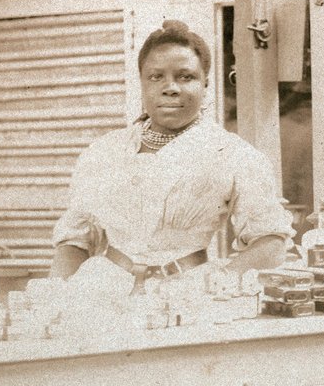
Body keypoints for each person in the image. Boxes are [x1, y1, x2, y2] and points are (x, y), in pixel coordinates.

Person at [50, 20, 295, 299]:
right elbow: (74, 239)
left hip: (188, 293)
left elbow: (271, 242)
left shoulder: (232, 154)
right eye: (156, 77)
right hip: (101, 291)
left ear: (205, 85)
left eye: (185, 77)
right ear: (141, 83)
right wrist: (58, 296)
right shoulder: (105, 151)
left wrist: (217, 283)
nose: (170, 88)